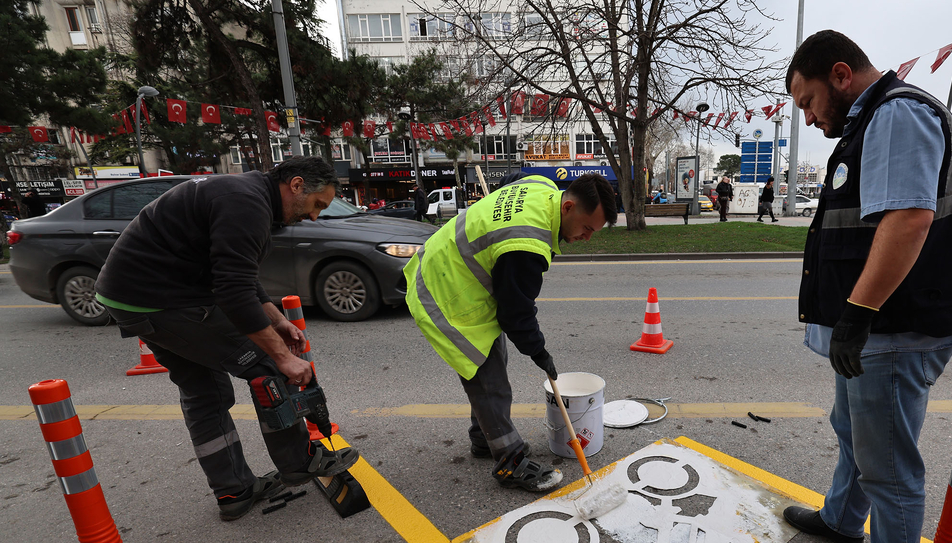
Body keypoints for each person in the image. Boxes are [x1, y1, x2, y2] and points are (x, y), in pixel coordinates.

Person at [783, 30, 952, 543]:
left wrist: (859, 315)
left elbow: (909, 219)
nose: (808, 119)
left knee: (887, 464)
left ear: (840, 75)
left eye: (808, 101)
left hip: (891, 329)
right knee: (854, 433)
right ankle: (841, 520)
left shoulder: (897, 114)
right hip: (873, 329)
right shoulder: (870, 124)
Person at [94, 157, 360, 521]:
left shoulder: (245, 195)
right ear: (296, 185)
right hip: (163, 301)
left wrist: (277, 319)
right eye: (317, 205)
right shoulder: (247, 203)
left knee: (205, 392)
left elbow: (237, 273)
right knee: (266, 366)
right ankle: (300, 461)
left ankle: (234, 490)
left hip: (135, 298)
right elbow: (232, 291)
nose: (314, 216)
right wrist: (282, 356)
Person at [404, 173, 617, 492]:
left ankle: (483, 438)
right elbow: (516, 315)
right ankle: (510, 461)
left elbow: (512, 180)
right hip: (444, 290)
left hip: (456, 268)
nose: (587, 237)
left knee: (495, 362)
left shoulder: (543, 187)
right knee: (488, 378)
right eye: (587, 228)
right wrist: (540, 353)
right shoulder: (526, 245)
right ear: (568, 206)